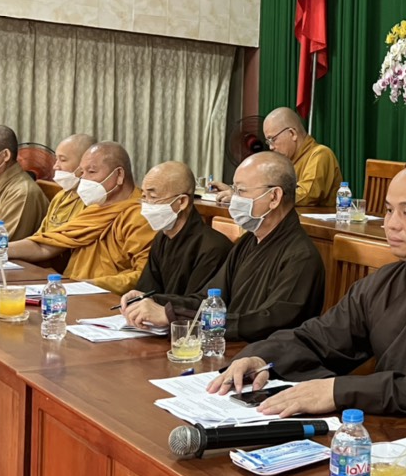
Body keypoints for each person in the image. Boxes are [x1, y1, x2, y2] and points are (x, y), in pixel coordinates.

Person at [207, 164, 406, 439]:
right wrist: (260, 357)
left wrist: (339, 391)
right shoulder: (381, 283)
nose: (391, 224)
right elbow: (320, 337)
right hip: (395, 431)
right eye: (389, 210)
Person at [122, 153, 325, 343]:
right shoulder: (248, 242)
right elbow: (208, 299)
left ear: (274, 197)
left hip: (262, 358)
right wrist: (155, 301)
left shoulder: (301, 257)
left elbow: (266, 322)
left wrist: (172, 316)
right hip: (227, 345)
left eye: (241, 191)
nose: (233, 199)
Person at [0, 142, 154, 294]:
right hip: (72, 291)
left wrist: (88, 284)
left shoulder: (140, 215)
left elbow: (144, 276)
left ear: (119, 175)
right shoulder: (95, 208)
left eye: (92, 172)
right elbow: (45, 245)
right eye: (82, 172)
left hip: (105, 300)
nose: (83, 179)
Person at [118, 161, 232, 318]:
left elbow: (198, 304)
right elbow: (148, 289)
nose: (146, 205)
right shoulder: (162, 238)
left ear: (182, 202)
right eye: (144, 196)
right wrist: (138, 298)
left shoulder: (213, 247)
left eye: (153, 197)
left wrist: (156, 303)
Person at [258, 106, 342, 207]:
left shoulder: (320, 154)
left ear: (292, 133)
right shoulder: (286, 161)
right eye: (268, 142)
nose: (271, 147)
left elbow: (306, 195)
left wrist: (267, 198)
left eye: (273, 139)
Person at [35, 133, 94, 237]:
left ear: (84, 165)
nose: (55, 166)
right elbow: (39, 236)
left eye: (62, 160)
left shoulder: (91, 202)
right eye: (56, 159)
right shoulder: (59, 197)